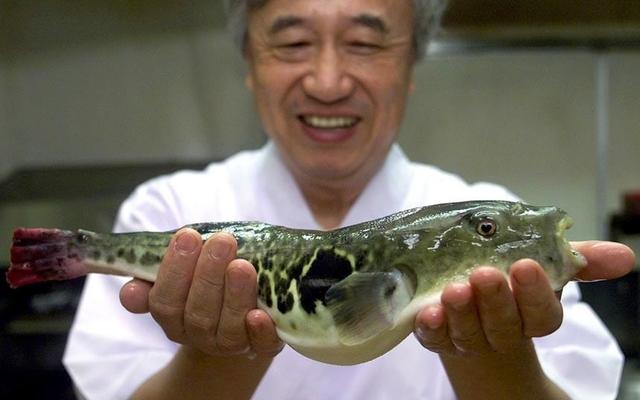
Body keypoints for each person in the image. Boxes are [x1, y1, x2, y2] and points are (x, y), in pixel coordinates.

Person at [63, 0, 636, 399]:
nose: (329, 80)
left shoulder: (498, 224)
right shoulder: (166, 212)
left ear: (413, 63)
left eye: (364, 42)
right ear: (248, 62)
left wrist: (489, 348)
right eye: (292, 42)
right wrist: (218, 350)